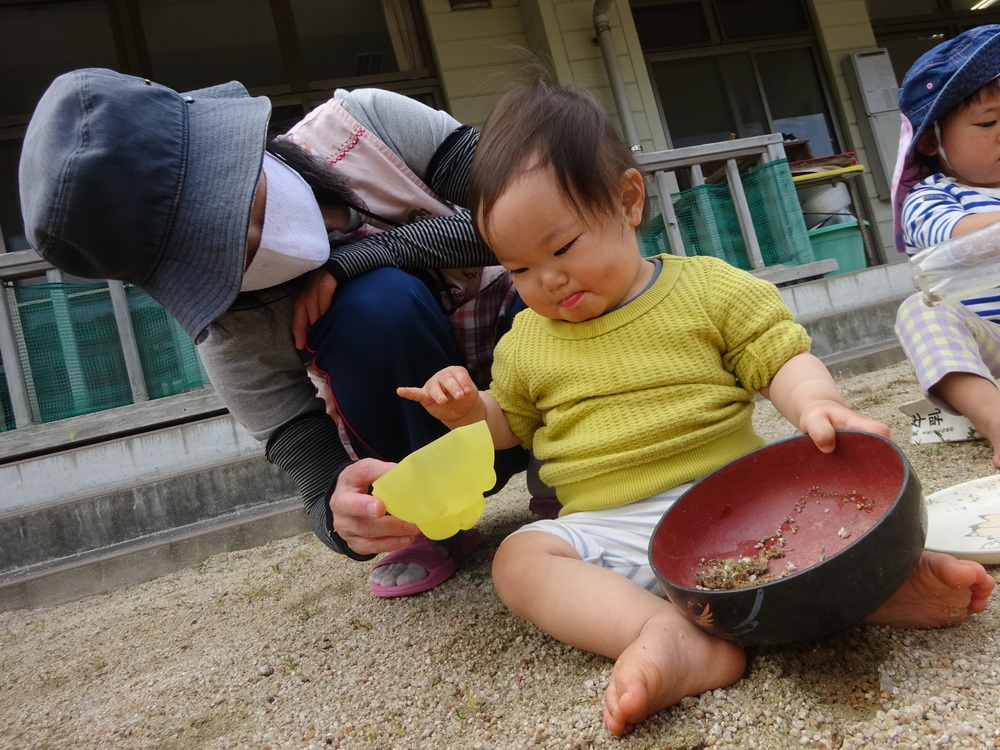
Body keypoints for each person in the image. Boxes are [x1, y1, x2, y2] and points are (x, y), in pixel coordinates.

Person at [399, 80, 996, 736]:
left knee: (829, 480)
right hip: (612, 525)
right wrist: (466, 409)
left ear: (628, 200)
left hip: (734, 506)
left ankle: (874, 585)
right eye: (518, 269)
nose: (548, 279)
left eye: (563, 248)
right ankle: (664, 632)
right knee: (520, 561)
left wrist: (818, 403)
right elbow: (507, 423)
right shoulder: (526, 342)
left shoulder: (706, 289)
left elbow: (779, 357)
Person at [18, 68, 532, 598]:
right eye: (220, 255)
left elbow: (533, 208)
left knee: (549, 278)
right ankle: (429, 524)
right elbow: (298, 445)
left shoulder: (366, 128)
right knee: (378, 304)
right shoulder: (228, 322)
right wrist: (342, 515)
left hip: (536, 384)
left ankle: (566, 463)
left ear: (240, 147)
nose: (259, 238)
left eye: (239, 199)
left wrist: (363, 256)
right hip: (432, 448)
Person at [893, 25, 1000, 467]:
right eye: (988, 123)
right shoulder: (932, 196)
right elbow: (959, 239)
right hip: (990, 341)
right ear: (930, 140)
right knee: (920, 312)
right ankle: (993, 418)